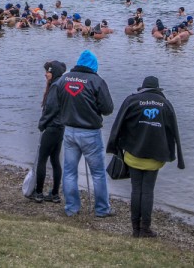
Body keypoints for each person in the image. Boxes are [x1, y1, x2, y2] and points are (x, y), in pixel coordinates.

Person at [106, 76, 185, 237]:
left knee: (136, 189)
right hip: (155, 156)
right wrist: (174, 155)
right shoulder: (165, 104)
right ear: (158, 89)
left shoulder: (132, 100)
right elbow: (173, 131)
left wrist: (115, 146)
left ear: (142, 87)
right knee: (148, 191)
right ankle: (145, 228)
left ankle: (135, 229)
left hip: (133, 153)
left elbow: (119, 124)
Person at [43, 50, 114, 217]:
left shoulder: (63, 79)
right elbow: (108, 109)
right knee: (97, 173)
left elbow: (57, 101)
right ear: (93, 65)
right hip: (90, 132)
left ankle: (71, 208)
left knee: (69, 171)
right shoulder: (97, 81)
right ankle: (102, 209)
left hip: (69, 131)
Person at [34, 61, 67, 203]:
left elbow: (51, 109)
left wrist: (42, 123)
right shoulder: (61, 83)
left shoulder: (55, 86)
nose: (45, 74)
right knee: (55, 160)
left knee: (42, 159)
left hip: (52, 127)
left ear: (53, 72)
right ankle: (55, 194)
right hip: (60, 128)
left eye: (48, 71)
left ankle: (39, 193)